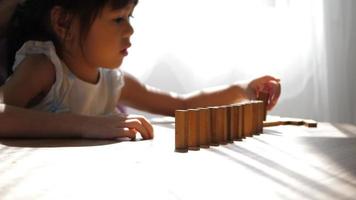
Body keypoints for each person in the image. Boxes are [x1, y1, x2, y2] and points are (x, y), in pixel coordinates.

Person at [0, 0, 281, 140]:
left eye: (130, 16)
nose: (130, 29)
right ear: (63, 22)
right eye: (118, 18)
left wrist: (243, 89)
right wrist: (84, 125)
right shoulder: (44, 68)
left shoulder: (113, 82)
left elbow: (181, 103)